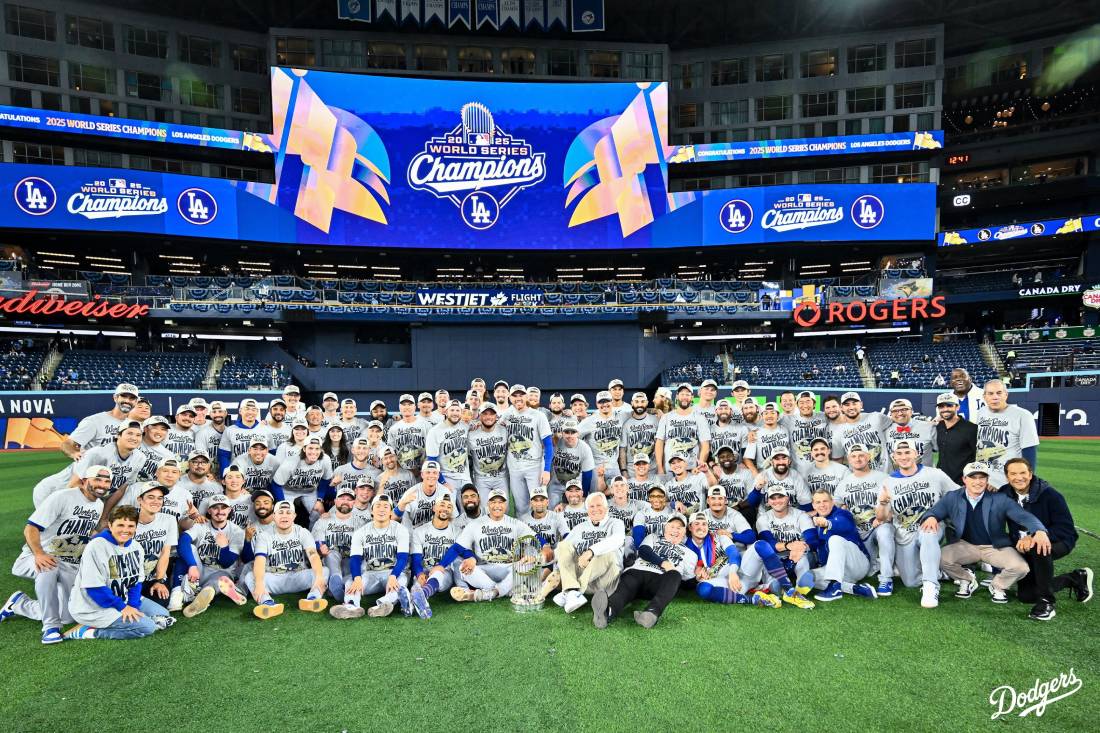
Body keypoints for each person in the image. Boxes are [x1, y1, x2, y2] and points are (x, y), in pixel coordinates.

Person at [2, 465, 111, 644]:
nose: (102, 484)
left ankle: (20, 603)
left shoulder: (98, 505)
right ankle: (50, 628)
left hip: (69, 563)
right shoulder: (62, 497)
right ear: (85, 480)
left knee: (67, 616)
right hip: (37, 557)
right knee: (49, 568)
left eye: (107, 481)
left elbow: (83, 532)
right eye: (97, 479)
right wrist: (39, 554)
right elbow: (31, 528)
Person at [921, 462, 1048, 612]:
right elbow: (934, 511)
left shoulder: (1000, 499)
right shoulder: (953, 497)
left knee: (1021, 567)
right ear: (964, 479)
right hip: (966, 545)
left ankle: (998, 585)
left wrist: (1039, 530)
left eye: (982, 477)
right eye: (973, 477)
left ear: (987, 480)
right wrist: (931, 517)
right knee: (938, 558)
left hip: (994, 546)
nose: (978, 482)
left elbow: (1024, 517)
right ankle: (966, 580)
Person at [998, 458, 1092, 620]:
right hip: (1023, 546)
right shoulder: (1003, 493)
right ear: (1007, 477)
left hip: (1059, 540)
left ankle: (1046, 602)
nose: (1019, 477)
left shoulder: (1050, 495)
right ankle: (1075, 578)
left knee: (1038, 546)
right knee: (1027, 596)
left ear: (1030, 474)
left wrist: (1037, 535)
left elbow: (1066, 528)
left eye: (1023, 473)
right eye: (1013, 474)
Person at [62, 505, 175, 640]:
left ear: (136, 527)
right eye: (120, 525)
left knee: (163, 615)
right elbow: (94, 588)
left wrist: (132, 606)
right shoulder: (97, 546)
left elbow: (136, 582)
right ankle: (87, 631)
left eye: (130, 526)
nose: (125, 530)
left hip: (122, 598)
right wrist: (123, 608)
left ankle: (107, 622)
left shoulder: (136, 547)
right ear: (110, 525)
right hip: (94, 606)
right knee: (147, 627)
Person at [875, 440, 959, 608]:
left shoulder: (935, 474)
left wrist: (937, 515)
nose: (903, 457)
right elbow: (881, 517)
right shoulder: (887, 482)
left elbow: (957, 496)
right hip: (904, 533)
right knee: (911, 582)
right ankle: (939, 571)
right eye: (899, 453)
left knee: (928, 531)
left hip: (931, 526)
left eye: (908, 452)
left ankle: (931, 586)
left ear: (916, 454)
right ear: (894, 457)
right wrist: (883, 503)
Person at [431, 487, 537, 603]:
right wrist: (441, 565)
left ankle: (489, 593)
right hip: (485, 571)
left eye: (501, 502)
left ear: (506, 504)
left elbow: (535, 539)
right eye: (493, 502)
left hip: (509, 569)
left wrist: (545, 547)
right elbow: (457, 548)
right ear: (488, 504)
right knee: (462, 568)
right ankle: (507, 590)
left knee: (532, 563)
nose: (497, 505)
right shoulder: (475, 524)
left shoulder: (515, 523)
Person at [592, 514, 695, 628]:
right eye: (672, 526)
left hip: (659, 582)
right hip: (637, 572)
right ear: (665, 527)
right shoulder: (653, 537)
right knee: (623, 592)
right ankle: (607, 612)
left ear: (684, 532)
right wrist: (663, 563)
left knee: (675, 574)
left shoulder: (690, 554)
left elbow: (686, 583)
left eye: (679, 528)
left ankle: (651, 613)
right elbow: (643, 551)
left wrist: (697, 579)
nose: (675, 530)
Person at [330, 493, 412, 619]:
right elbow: (355, 559)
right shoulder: (361, 532)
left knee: (400, 582)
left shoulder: (400, 529)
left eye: (386, 506)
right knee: (351, 581)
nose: (381, 509)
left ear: (391, 511)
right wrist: (357, 578)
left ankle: (383, 605)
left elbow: (403, 557)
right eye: (378, 506)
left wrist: (393, 576)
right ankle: (352, 606)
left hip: (394, 573)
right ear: (371, 511)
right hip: (370, 573)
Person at [243, 500, 328, 620]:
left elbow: (313, 556)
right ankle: (267, 603)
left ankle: (313, 598)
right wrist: (259, 584)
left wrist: (318, 577)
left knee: (324, 571)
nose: (284, 516)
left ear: (294, 516)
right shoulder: (264, 536)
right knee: (250, 576)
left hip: (298, 577)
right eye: (280, 512)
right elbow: (259, 561)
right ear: (274, 516)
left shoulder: (303, 532)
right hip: (275, 579)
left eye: (288, 512)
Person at [552, 493, 624, 613]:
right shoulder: (580, 527)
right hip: (585, 579)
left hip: (605, 580)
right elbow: (560, 551)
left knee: (608, 554)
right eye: (591, 506)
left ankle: (571, 592)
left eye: (599, 505)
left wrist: (590, 552)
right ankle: (571, 591)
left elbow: (618, 539)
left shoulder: (616, 523)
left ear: (606, 508)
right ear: (587, 510)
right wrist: (544, 561)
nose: (595, 509)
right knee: (562, 545)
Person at [178, 494, 247, 617]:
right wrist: (192, 565)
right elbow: (183, 540)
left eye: (223, 507)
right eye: (215, 508)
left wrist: (223, 547)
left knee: (219, 581)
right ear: (209, 511)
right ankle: (201, 592)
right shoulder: (201, 525)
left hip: (222, 572)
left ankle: (203, 596)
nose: (220, 511)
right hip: (200, 570)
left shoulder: (237, 531)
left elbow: (226, 563)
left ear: (229, 510)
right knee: (190, 548)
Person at [833, 444, 891, 594]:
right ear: (848, 459)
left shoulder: (883, 478)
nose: (857, 459)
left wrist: (886, 516)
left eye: (861, 455)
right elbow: (834, 508)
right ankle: (879, 562)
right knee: (867, 570)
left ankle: (886, 579)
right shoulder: (844, 483)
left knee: (884, 531)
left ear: (868, 457)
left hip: (878, 526)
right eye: (853, 456)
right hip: (858, 533)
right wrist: (842, 512)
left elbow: (895, 504)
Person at [804, 490, 877, 602]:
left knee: (835, 539)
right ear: (813, 505)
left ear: (832, 502)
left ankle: (834, 586)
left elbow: (843, 525)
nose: (822, 505)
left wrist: (828, 523)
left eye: (825, 501)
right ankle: (855, 589)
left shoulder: (842, 514)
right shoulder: (816, 521)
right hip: (839, 570)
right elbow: (815, 543)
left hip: (857, 565)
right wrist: (803, 546)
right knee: (809, 577)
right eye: (818, 502)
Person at [975, 379, 1039, 487]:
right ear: (984, 396)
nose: (995, 397)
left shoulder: (1023, 415)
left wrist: (1027, 482)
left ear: (1006, 395)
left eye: (999, 393)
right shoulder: (981, 412)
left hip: (1006, 483)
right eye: (990, 393)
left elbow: (1029, 450)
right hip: (983, 481)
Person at [502, 384, 554, 517]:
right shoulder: (506, 415)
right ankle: (524, 530)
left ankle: (542, 530)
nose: (518, 398)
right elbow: (492, 428)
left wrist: (547, 470)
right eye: (514, 396)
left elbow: (548, 445)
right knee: (520, 507)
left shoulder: (538, 416)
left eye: (521, 395)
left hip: (534, 467)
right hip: (515, 468)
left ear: (526, 397)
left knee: (539, 505)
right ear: (510, 398)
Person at [408, 492, 460, 619]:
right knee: (417, 584)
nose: (445, 509)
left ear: (452, 511)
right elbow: (416, 557)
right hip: (424, 570)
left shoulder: (457, 531)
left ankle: (421, 595)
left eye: (449, 507)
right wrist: (419, 573)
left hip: (445, 573)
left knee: (437, 575)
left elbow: (457, 551)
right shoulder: (419, 531)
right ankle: (410, 606)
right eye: (442, 505)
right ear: (434, 508)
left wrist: (440, 566)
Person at [58, 383, 139, 460]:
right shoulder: (94, 421)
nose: (127, 401)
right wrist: (74, 453)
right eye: (123, 396)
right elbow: (68, 444)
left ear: (136, 402)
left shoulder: (134, 425)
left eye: (132, 398)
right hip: (95, 468)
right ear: (115, 398)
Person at [654, 383, 711, 474]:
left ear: (692, 397)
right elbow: (659, 443)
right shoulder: (666, 417)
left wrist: (700, 466)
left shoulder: (700, 418)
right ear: (677, 396)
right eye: (682, 394)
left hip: (692, 469)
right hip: (670, 469)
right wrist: (660, 468)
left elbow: (705, 445)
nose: (685, 397)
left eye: (687, 394)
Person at [578, 390, 624, 483]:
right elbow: (572, 436)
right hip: (596, 467)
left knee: (618, 490)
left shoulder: (620, 416)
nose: (604, 404)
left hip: (614, 467)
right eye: (601, 402)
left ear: (612, 401)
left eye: (607, 401)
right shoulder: (590, 420)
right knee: (596, 492)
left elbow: (635, 413)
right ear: (597, 404)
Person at [745, 448, 811, 511]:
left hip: (792, 515)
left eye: (784, 458)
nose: (781, 462)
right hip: (766, 515)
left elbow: (806, 504)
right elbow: (752, 504)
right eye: (777, 459)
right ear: (771, 462)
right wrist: (757, 489)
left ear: (789, 461)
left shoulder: (796, 476)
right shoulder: (763, 475)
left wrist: (796, 516)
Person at [467, 404, 509, 505]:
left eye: (491, 414)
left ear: (496, 416)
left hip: (501, 477)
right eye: (485, 414)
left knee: (504, 508)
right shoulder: (471, 433)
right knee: (484, 509)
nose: (488, 417)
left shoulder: (505, 430)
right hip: (481, 478)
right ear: (480, 415)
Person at [426, 400, 472, 487]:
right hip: (446, 477)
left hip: (465, 477)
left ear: (461, 413)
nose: (455, 413)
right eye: (452, 410)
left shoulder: (465, 426)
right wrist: (443, 482)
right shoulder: (435, 431)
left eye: (458, 410)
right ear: (446, 412)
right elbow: (432, 460)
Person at [933, 393, 978, 483]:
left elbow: (979, 457)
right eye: (941, 406)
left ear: (957, 407)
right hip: (941, 480)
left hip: (962, 483)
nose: (945, 409)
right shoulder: (938, 427)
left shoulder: (971, 429)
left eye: (949, 405)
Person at [782, 390, 829, 475]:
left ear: (814, 404)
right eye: (801, 402)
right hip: (798, 471)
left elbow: (841, 419)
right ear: (797, 405)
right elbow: (767, 421)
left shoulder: (823, 417)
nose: (805, 405)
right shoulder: (787, 420)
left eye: (808, 401)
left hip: (821, 469)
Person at [550, 419, 596, 504]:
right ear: (562, 433)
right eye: (567, 432)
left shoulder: (585, 448)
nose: (570, 435)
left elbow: (587, 474)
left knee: (576, 509)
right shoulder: (556, 442)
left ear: (578, 433)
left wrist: (584, 494)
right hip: (556, 485)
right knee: (552, 508)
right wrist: (554, 437)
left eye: (573, 432)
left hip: (575, 487)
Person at [386, 394, 433, 475]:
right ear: (399, 407)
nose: (407, 407)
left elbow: (432, 451)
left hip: (424, 472)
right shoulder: (393, 429)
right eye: (404, 404)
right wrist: (401, 469)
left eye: (410, 404)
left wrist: (424, 469)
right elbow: (391, 453)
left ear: (414, 407)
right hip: (402, 473)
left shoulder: (426, 426)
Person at [884, 398, 936, 469]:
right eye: (895, 411)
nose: (900, 413)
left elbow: (943, 450)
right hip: (894, 475)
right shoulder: (884, 429)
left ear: (911, 411)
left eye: (904, 409)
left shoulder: (928, 427)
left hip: (924, 474)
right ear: (890, 413)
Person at [218, 398, 263, 475]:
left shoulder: (265, 430)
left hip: (259, 475)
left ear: (257, 412)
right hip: (237, 475)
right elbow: (224, 456)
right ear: (240, 411)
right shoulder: (230, 430)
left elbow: (271, 455)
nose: (250, 412)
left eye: (253, 409)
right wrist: (225, 475)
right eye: (247, 409)